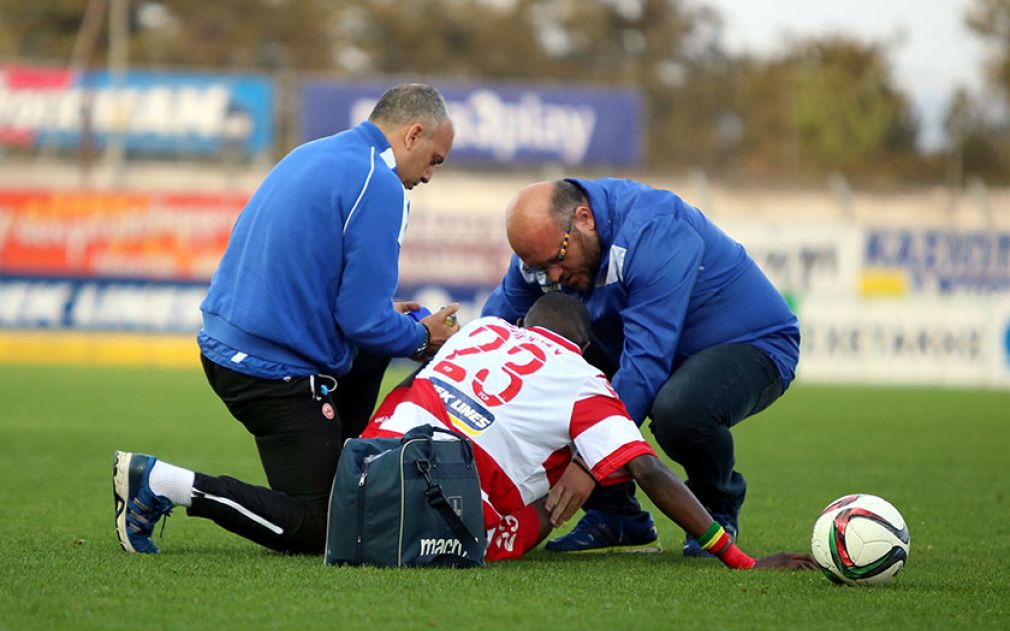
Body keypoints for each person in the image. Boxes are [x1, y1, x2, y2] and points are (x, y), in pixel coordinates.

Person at [114, 83, 461, 555]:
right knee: (323, 529)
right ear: (413, 134)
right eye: (435, 160)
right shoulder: (380, 184)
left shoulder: (313, 152)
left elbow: (344, 303)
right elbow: (361, 322)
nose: (429, 175)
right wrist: (422, 337)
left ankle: (346, 471)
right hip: (271, 373)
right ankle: (164, 483)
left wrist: (391, 324)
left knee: (381, 347)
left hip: (226, 349)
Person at [363, 293, 813, 569]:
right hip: (441, 511)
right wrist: (741, 560)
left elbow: (415, 382)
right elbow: (649, 470)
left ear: (523, 324)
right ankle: (611, 511)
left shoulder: (482, 328)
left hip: (365, 471)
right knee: (584, 455)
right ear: (582, 348)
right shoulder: (584, 380)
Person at [481, 179, 800, 557]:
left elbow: (646, 363)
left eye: (557, 259)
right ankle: (616, 516)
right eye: (537, 267)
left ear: (585, 218)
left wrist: (587, 465)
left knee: (678, 412)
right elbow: (494, 333)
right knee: (548, 375)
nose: (551, 277)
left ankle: (717, 504)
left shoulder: (655, 230)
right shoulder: (546, 250)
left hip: (751, 343)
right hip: (650, 347)